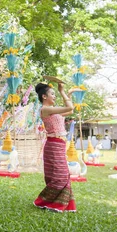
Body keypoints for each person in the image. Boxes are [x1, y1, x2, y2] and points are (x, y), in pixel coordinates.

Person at [33, 82, 76, 213]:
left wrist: (65, 94)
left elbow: (70, 110)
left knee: (62, 174)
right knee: (60, 175)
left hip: (59, 145)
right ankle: (46, 200)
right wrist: (62, 92)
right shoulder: (45, 109)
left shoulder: (54, 111)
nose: (54, 96)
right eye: (52, 94)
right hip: (53, 145)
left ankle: (56, 202)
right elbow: (69, 106)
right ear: (44, 97)